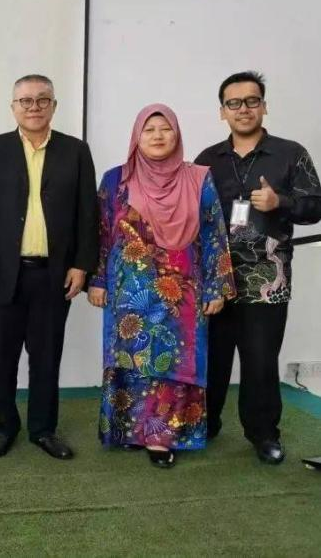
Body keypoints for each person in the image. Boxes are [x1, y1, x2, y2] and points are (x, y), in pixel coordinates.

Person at [88, 104, 235, 468]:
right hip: (128, 292)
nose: (157, 136)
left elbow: (214, 234)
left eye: (165, 128)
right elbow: (102, 234)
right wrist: (98, 279)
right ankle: (129, 430)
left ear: (177, 134)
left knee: (175, 360)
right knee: (131, 359)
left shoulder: (199, 178)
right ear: (136, 136)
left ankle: (162, 436)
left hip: (182, 291)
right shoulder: (115, 180)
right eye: (149, 129)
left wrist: (216, 287)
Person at [0, 74, 98, 460]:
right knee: (0, 359)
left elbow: (87, 213)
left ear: (54, 106)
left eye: (42, 100)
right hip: (1, 276)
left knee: (46, 359)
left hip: (54, 275)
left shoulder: (75, 151)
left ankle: (43, 429)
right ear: (13, 107)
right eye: (25, 101)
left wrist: (82, 265)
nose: (34, 107)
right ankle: (3, 427)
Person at [196, 71, 321, 464]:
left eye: (252, 101)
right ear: (222, 111)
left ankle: (263, 434)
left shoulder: (290, 153)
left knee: (260, 360)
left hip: (268, 279)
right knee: (212, 357)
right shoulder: (206, 160)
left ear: (264, 106)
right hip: (215, 278)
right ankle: (205, 424)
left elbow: (316, 206)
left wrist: (280, 201)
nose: (243, 109)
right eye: (234, 103)